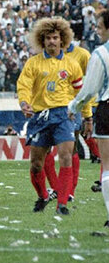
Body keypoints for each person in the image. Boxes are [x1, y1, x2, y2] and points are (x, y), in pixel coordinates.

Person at [17, 17, 92, 215]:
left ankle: (62, 204)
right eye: (48, 38)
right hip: (40, 116)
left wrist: (88, 117)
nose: (52, 41)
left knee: (66, 156)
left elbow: (80, 93)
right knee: (36, 165)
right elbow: (23, 85)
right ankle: (43, 196)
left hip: (64, 115)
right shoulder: (33, 63)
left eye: (55, 38)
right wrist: (24, 103)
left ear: (62, 40)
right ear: (43, 40)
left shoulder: (72, 64)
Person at [68, 9, 109, 229]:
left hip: (107, 108)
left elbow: (90, 88)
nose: (97, 30)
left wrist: (74, 106)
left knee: (107, 165)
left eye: (99, 26)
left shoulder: (101, 53)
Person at [43, 41, 92, 202]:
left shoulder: (82, 55)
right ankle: (57, 188)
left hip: (72, 108)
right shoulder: (44, 56)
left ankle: (70, 191)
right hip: (47, 108)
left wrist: (87, 113)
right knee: (44, 150)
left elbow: (91, 80)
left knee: (71, 150)